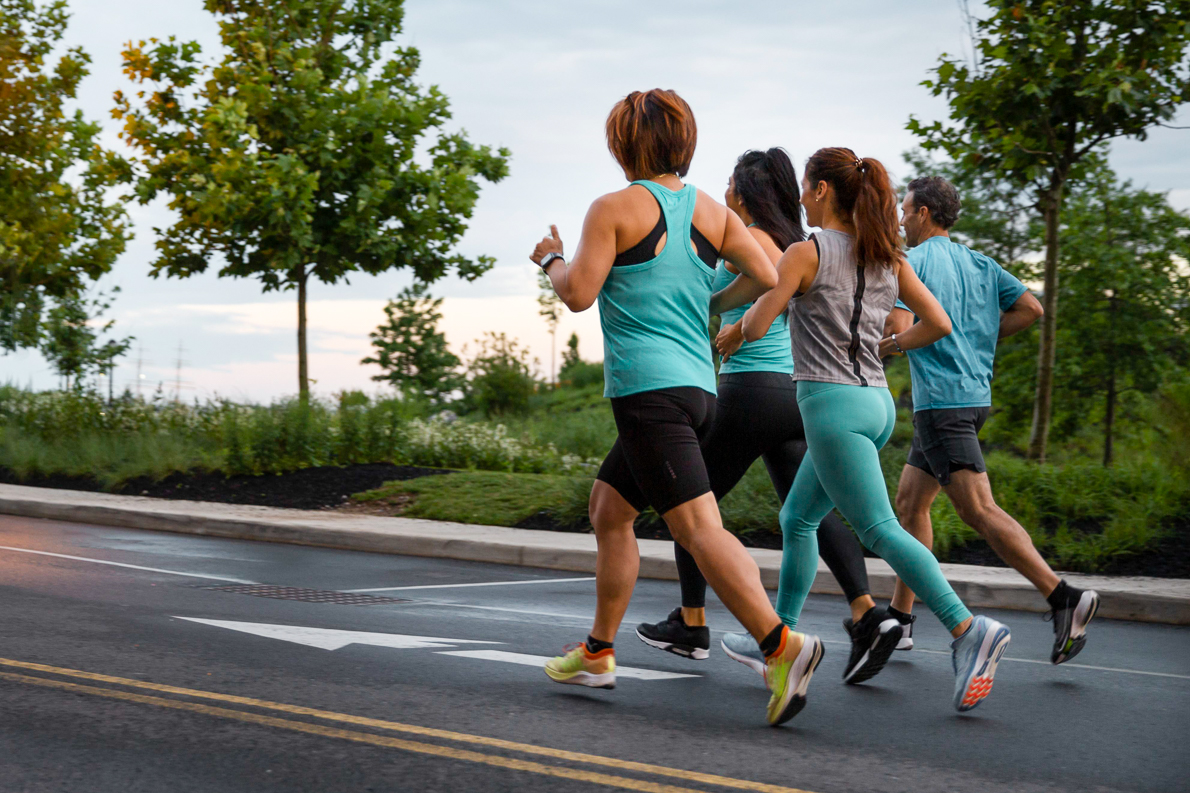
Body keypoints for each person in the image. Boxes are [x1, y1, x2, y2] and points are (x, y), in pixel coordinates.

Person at [530, 89, 824, 726]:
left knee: (696, 528)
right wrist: (713, 305)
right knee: (610, 509)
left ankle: (783, 646)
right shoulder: (713, 213)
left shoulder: (613, 208)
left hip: (648, 394)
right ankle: (600, 651)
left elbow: (578, 294)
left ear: (622, 143)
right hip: (699, 390)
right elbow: (770, 275)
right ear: (682, 143)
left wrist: (550, 259)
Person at [724, 147, 1011, 713]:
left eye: (806, 187)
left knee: (879, 529)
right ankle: (777, 636)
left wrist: (732, 332)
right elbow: (939, 323)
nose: (801, 197)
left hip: (831, 406)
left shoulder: (807, 253)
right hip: (876, 405)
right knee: (798, 516)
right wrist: (889, 345)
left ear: (823, 190)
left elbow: (762, 318)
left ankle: (967, 630)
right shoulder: (887, 255)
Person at [633, 148, 890, 685]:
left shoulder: (748, 242)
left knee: (691, 505)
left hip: (750, 392)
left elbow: (708, 296)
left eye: (730, 182)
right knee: (814, 512)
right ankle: (866, 611)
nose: (723, 189)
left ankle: (692, 621)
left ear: (745, 193)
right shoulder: (797, 241)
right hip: (796, 395)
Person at [883, 176, 1099, 664]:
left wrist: (883, 340)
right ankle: (901, 617)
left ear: (922, 214)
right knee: (910, 503)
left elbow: (897, 328)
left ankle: (1062, 595)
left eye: (905, 210)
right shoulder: (980, 262)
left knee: (978, 510)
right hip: (973, 399)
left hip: (942, 405)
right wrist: (978, 337)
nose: (899, 219)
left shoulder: (912, 263)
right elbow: (1031, 308)